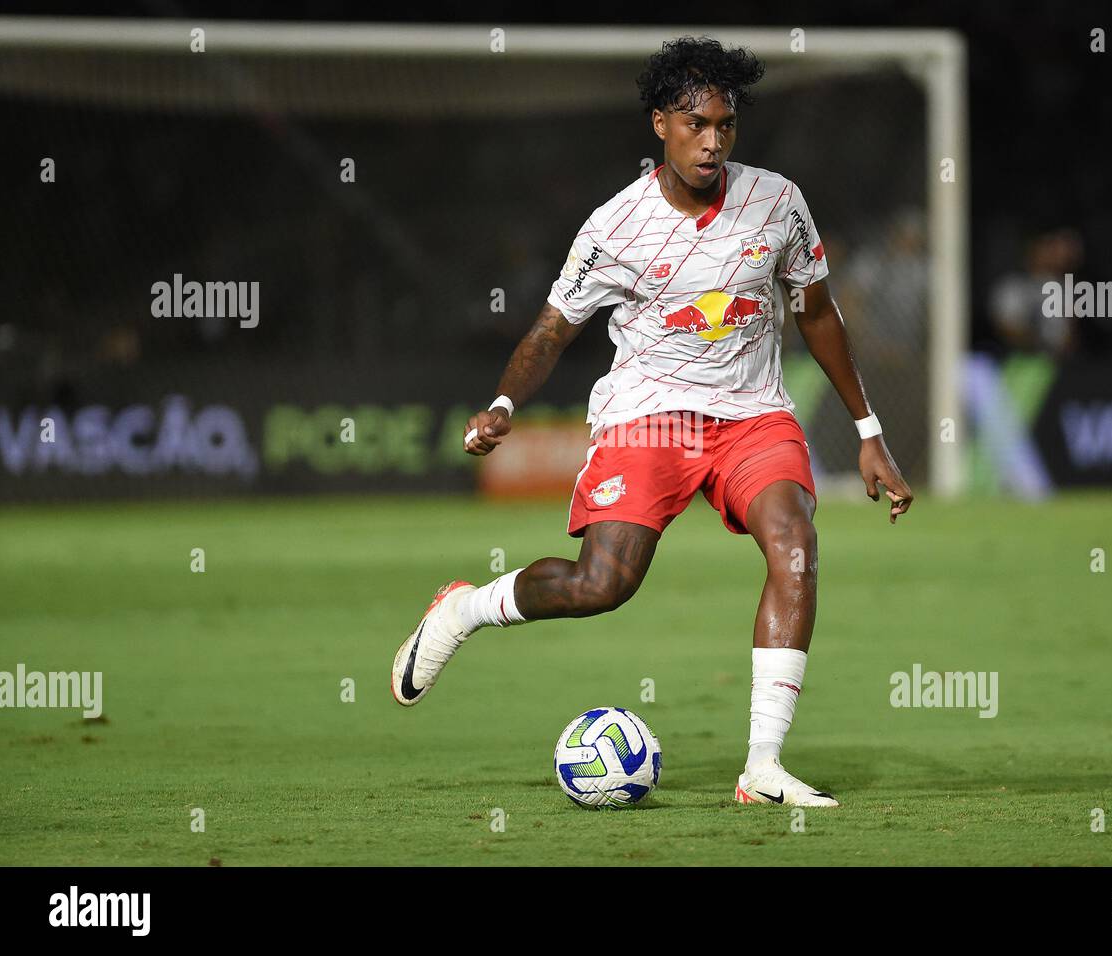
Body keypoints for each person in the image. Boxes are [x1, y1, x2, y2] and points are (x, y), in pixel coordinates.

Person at [391, 36, 913, 808]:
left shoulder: (778, 202)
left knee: (795, 542)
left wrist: (869, 432)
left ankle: (762, 766)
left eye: (725, 127)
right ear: (660, 124)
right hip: (648, 419)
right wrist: (503, 404)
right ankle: (465, 609)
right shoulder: (615, 228)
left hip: (752, 416)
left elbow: (818, 313)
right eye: (697, 124)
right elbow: (549, 331)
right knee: (603, 585)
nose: (713, 142)